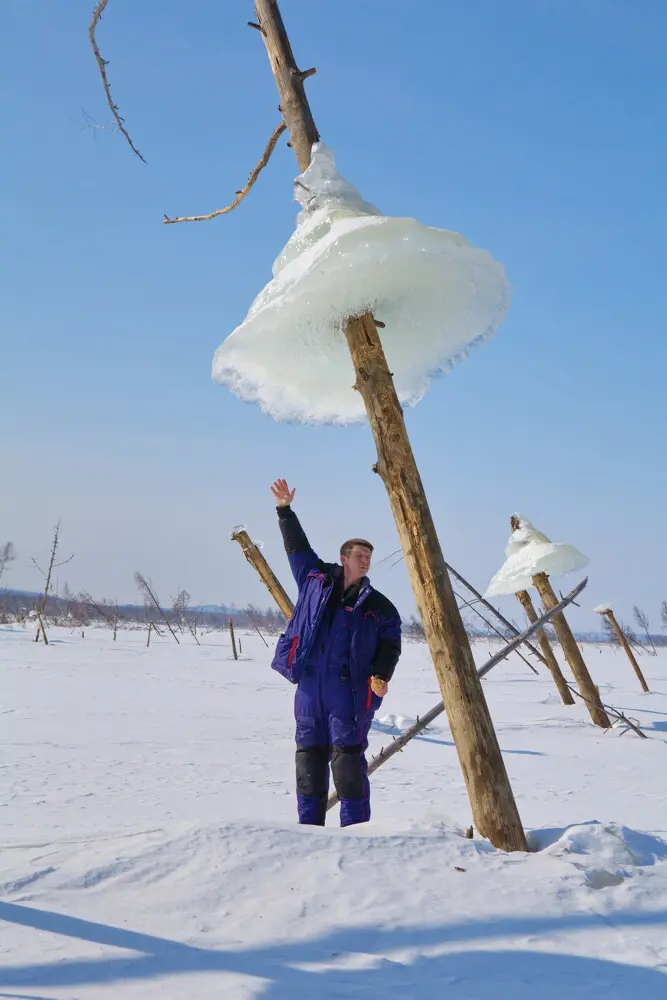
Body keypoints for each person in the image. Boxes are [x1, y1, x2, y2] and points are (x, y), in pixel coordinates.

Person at [270, 478, 402, 827]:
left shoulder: (379, 607)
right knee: (309, 760)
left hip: (350, 692)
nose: (365, 562)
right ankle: (308, 831)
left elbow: (392, 642)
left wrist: (381, 674)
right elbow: (296, 548)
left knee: (347, 763)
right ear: (344, 558)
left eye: (369, 558)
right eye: (360, 556)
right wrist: (285, 511)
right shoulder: (314, 580)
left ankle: (355, 832)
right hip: (311, 688)